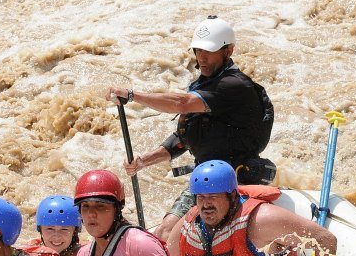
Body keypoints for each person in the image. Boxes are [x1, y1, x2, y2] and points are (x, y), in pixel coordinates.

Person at [107, 16, 276, 240]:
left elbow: (181, 103)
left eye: (209, 51)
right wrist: (143, 161)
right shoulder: (203, 86)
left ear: (228, 51)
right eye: (198, 51)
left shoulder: (234, 85)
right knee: (165, 232)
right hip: (205, 178)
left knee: (196, 235)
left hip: (235, 178)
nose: (202, 58)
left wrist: (132, 95)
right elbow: (185, 137)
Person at [167, 161, 337, 256]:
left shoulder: (262, 220)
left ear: (232, 195)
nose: (206, 205)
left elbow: (325, 239)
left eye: (213, 196)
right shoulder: (188, 227)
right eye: (201, 198)